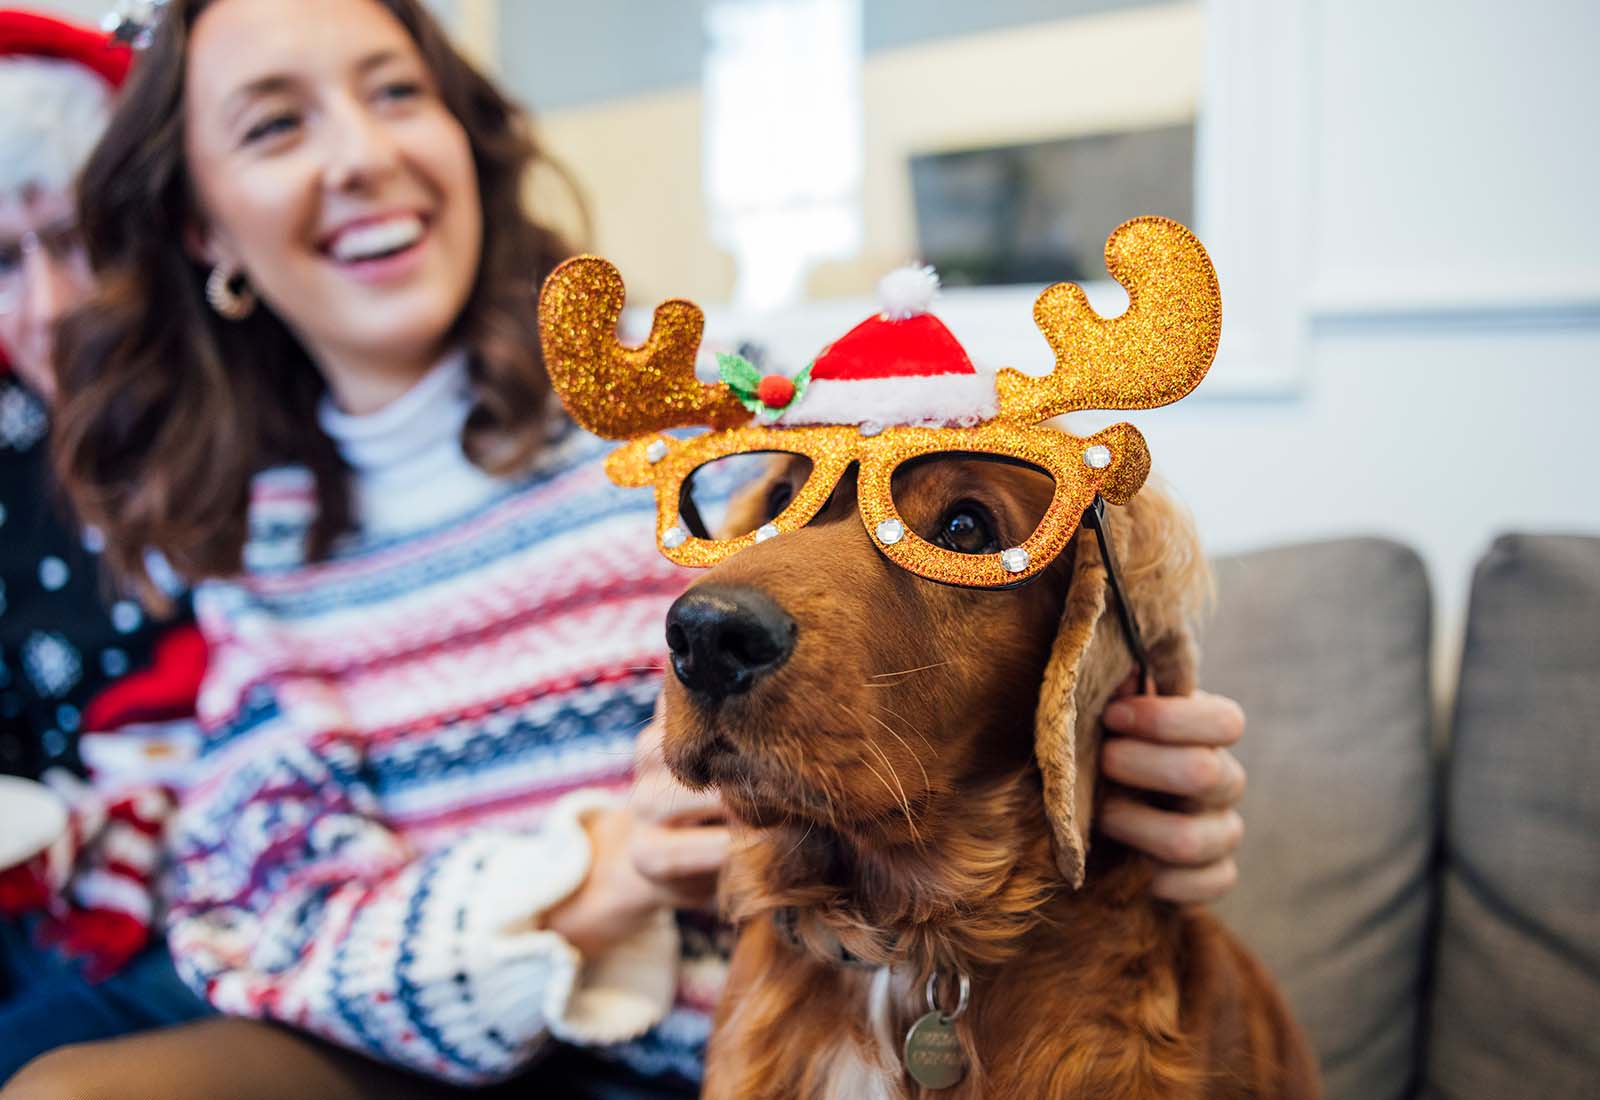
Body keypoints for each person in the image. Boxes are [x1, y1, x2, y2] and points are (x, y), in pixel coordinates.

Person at [7, 0, 1247, 1094]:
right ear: (203, 230)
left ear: (464, 136)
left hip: (761, 1016)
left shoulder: (718, 438)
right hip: (417, 1048)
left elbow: (969, 648)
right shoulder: (245, 544)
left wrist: (1132, 761)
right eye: (275, 125)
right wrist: (594, 876)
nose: (362, 154)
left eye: (396, 92)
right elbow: (256, 923)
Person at [0, 9, 213, 1084]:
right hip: (53, 897)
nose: (50, 309)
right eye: (1, 261)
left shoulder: (259, 411)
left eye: (77, 241)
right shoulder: (9, 450)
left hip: (233, 916)